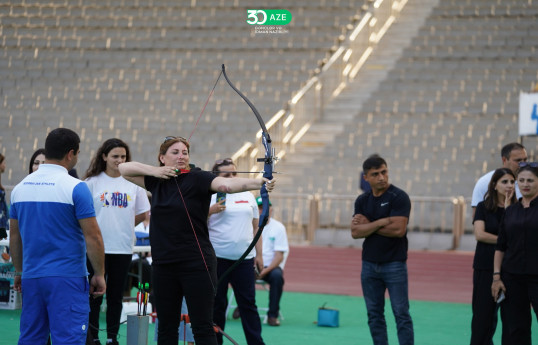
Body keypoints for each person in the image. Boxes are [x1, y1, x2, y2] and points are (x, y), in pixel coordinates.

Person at [118, 137, 275, 345]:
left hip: (196, 263)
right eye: (175, 152)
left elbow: (226, 185)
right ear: (162, 158)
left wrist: (258, 182)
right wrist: (155, 171)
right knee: (166, 326)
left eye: (185, 152)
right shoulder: (155, 181)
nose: (181, 156)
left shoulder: (199, 178)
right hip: (164, 265)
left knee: (202, 326)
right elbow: (123, 168)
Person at [9, 127, 106, 344]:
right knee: (69, 339)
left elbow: (15, 238)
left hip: (32, 277)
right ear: (71, 153)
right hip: (67, 278)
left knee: (31, 338)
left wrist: (18, 270)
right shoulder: (76, 188)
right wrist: (99, 273)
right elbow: (94, 238)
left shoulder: (19, 188)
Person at [84, 138, 151, 345]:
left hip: (122, 247)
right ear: (104, 156)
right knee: (94, 296)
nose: (119, 160)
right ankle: (93, 337)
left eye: (123, 157)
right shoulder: (91, 183)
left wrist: (122, 223)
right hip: (95, 248)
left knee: (115, 297)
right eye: (115, 156)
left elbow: (142, 213)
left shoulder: (134, 182)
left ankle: (112, 338)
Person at [350, 154, 413, 345]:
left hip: (394, 264)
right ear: (366, 178)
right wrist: (382, 222)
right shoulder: (362, 200)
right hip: (369, 265)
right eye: (376, 174)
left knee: (401, 313)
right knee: (374, 314)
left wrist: (369, 225)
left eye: (384, 172)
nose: (382, 177)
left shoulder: (399, 197)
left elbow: (398, 230)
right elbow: (355, 232)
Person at [208, 158, 266, 345]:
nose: (232, 177)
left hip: (244, 259)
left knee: (248, 304)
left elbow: (256, 227)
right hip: (218, 259)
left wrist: (260, 254)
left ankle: (255, 342)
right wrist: (211, 210)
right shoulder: (209, 195)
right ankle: (216, 342)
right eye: (227, 175)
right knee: (217, 305)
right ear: (216, 177)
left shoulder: (248, 194)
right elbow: (195, 222)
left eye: (234, 173)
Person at [492, 162, 538, 344]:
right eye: (521, 180)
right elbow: (501, 246)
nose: (525, 184)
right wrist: (497, 276)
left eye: (531, 180)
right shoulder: (510, 211)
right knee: (516, 329)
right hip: (513, 278)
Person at [470, 168, 516, 345]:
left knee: (512, 320)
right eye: (505, 182)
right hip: (485, 267)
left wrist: (510, 208)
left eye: (512, 182)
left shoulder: (518, 208)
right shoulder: (484, 207)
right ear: (495, 185)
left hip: (512, 268)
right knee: (483, 318)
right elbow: (480, 235)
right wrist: (504, 241)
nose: (509, 185)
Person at [254, 196, 289, 326]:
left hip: (270, 267)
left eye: (266, 207)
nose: (263, 210)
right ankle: (242, 307)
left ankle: (272, 315)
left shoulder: (279, 227)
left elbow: (279, 256)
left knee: (277, 277)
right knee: (238, 273)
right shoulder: (250, 225)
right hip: (252, 265)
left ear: (271, 209)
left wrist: (264, 271)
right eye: (260, 207)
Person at [471, 143, 527, 216]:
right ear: (504, 160)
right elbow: (476, 217)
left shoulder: (530, 182)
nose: (523, 164)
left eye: (525, 159)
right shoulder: (485, 182)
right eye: (518, 160)